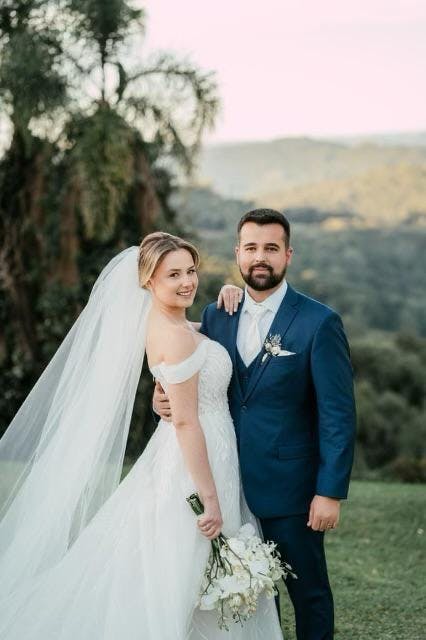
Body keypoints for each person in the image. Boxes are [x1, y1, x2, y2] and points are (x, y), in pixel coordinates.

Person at [0, 233, 283, 639]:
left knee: (185, 569)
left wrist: (228, 294)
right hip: (193, 466)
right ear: (149, 281)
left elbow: (202, 345)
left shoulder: (173, 324)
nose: (187, 282)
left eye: (191, 271)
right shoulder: (174, 335)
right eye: (174, 275)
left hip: (202, 454)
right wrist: (211, 498)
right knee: (180, 568)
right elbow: (186, 422)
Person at [154, 209, 357, 640]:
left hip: (291, 490)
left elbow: (338, 415)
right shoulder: (217, 314)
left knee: (309, 593)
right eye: (251, 248)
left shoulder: (319, 323)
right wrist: (163, 396)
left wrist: (329, 492)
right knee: (253, 597)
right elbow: (185, 365)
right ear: (238, 254)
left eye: (270, 248)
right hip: (229, 484)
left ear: (288, 254)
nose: (260, 257)